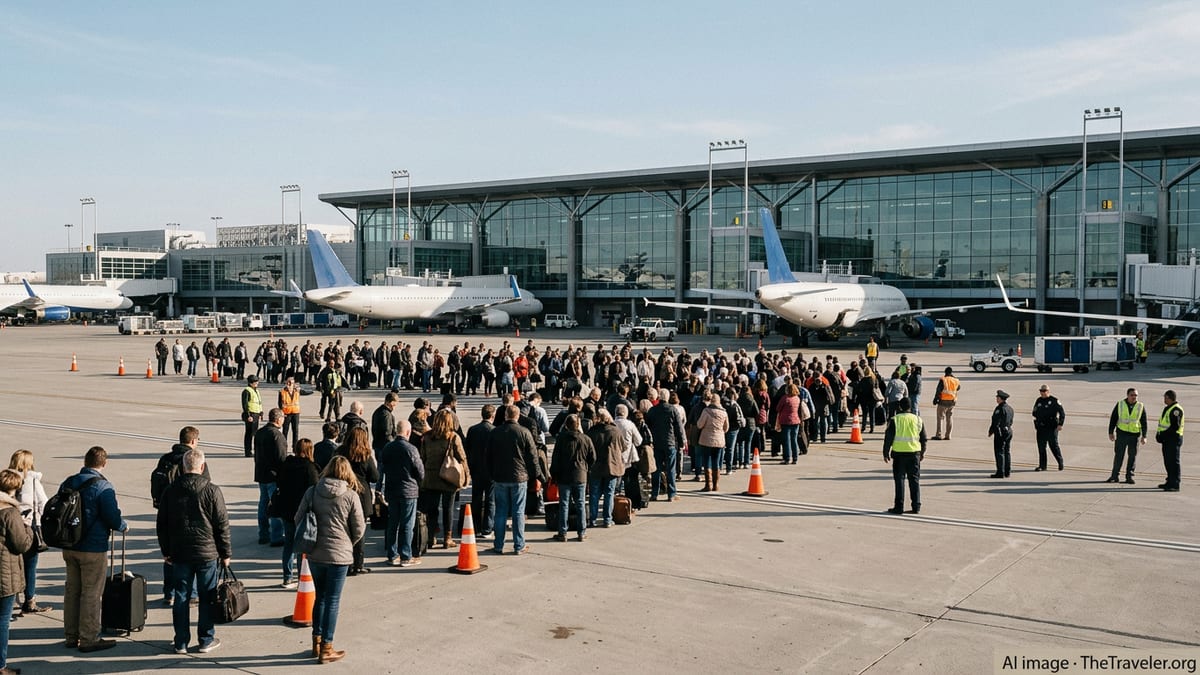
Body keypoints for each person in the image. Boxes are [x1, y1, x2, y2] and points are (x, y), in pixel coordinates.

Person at [156, 449, 230, 655]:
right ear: (202, 467)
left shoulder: (170, 490)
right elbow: (222, 524)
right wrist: (225, 553)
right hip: (207, 553)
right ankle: (206, 639)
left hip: (180, 553)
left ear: (182, 467)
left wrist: (166, 551)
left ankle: (181, 641)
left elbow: (161, 524)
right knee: (207, 596)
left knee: (181, 597)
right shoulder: (212, 490)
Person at [297, 456, 364, 664]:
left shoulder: (313, 491)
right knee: (333, 600)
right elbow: (359, 527)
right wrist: (347, 543)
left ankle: (316, 642)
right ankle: (327, 646)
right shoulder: (351, 495)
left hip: (316, 552)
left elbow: (298, 517)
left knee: (321, 598)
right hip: (339, 554)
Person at [61, 446, 128, 653]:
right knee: (91, 593)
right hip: (93, 547)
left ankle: (71, 635)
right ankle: (89, 638)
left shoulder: (69, 481)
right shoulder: (102, 486)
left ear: (85, 461)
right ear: (104, 464)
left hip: (70, 544)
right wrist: (122, 525)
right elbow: (112, 516)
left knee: (72, 591)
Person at [151, 427, 210, 607]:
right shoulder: (195, 460)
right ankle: (191, 594)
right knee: (189, 556)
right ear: (193, 441)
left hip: (168, 512)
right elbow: (205, 486)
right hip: (190, 515)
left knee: (169, 556)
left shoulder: (166, 459)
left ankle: (169, 594)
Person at [486, 405, 540, 555]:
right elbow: (532, 457)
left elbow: (488, 456)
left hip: (500, 476)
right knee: (518, 512)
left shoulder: (495, 432)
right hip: (519, 477)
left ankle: (498, 544)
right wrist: (536, 476)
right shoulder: (524, 432)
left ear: (505, 416)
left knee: (501, 511)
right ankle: (518, 544)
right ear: (517, 417)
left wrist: (492, 473)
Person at [419, 409, 469, 549]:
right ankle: (447, 538)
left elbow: (422, 457)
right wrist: (466, 475)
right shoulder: (453, 437)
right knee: (448, 508)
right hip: (448, 477)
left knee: (432, 508)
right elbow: (462, 457)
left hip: (430, 477)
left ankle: (430, 536)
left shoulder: (427, 437)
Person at [379, 420, 424, 566]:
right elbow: (420, 471)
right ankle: (406, 555)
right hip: (409, 490)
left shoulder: (388, 447)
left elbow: (382, 468)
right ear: (408, 432)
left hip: (392, 489)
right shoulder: (411, 449)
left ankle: (392, 554)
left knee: (393, 523)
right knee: (407, 525)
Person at [275, 438, 319, 587]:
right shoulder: (310, 468)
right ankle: (302, 577)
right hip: (302, 511)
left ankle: (287, 576)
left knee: (288, 543)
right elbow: (314, 489)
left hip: (286, 509)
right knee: (302, 544)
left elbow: (279, 482)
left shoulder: (286, 464)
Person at [335, 427, 379, 575]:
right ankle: (358, 564)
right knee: (359, 531)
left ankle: (345, 562)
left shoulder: (340, 452)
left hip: (343, 493)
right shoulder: (365, 455)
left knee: (344, 530)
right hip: (361, 494)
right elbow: (374, 477)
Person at [8, 450, 48, 616]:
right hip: (28, 527)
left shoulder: (7, 479)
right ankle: (29, 599)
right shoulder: (32, 480)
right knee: (30, 565)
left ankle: (10, 598)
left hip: (10, 525)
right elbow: (43, 503)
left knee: (11, 565)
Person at [550, 414, 596, 542]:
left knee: (564, 504)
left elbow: (555, 458)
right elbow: (593, 457)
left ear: (566, 425)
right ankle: (581, 532)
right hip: (580, 474)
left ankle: (562, 532)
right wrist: (587, 468)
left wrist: (553, 474)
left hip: (564, 475)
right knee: (580, 503)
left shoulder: (561, 439)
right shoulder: (585, 439)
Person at [883, 398, 926, 514]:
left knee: (899, 481)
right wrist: (922, 453)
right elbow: (923, 438)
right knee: (914, 481)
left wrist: (886, 452)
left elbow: (888, 438)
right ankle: (916, 505)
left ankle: (899, 506)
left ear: (900, 407)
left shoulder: (895, 420)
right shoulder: (918, 420)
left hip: (899, 454)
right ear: (910, 407)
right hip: (914, 454)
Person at [646, 387, 686, 502]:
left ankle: (654, 493)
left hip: (657, 442)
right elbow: (679, 427)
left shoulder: (653, 410)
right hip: (670, 442)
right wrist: (682, 441)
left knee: (656, 469)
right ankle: (671, 493)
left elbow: (648, 425)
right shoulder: (673, 410)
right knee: (671, 469)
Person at [254, 409, 288, 546]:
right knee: (275, 506)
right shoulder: (277, 435)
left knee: (263, 504)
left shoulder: (260, 433)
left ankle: (263, 534)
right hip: (273, 475)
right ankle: (276, 536)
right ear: (279, 419)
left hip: (261, 473)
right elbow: (281, 458)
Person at [464, 405, 496, 538]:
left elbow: (467, 448)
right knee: (490, 499)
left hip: (476, 468)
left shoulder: (473, 430)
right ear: (492, 416)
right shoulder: (494, 431)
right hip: (490, 470)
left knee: (476, 498)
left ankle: (475, 526)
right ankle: (487, 528)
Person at [1107, 388, 1147, 484]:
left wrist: (1144, 436)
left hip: (1134, 434)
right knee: (1119, 455)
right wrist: (1111, 432)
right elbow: (1113, 418)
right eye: (1132, 395)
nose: (1134, 397)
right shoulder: (1120, 404)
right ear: (1127, 395)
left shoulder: (1140, 406)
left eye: (1136, 395)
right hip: (1122, 433)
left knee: (1132, 456)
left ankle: (1129, 476)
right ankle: (1114, 476)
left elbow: (1144, 421)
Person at [1031, 384, 1066, 471]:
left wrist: (1060, 424)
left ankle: (1060, 462)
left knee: (1053, 446)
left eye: (1044, 391)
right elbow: (1034, 411)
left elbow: (1062, 413)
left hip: (1051, 427)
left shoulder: (1054, 400)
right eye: (1041, 391)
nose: (1042, 393)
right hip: (1041, 427)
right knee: (1041, 447)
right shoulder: (1039, 400)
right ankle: (1042, 465)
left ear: (1048, 391)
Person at [1156, 390, 1184, 492]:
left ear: (1169, 398)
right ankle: (1169, 481)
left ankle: (1175, 484)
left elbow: (1175, 427)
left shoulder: (1176, 410)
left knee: (1173, 462)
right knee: (1168, 461)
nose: (1164, 399)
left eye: (1165, 397)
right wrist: (1159, 434)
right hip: (1167, 440)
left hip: (1173, 439)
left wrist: (1163, 434)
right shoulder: (1168, 408)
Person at [986, 390, 1014, 478]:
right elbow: (1011, 421)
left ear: (1001, 399)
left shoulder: (999, 409)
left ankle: (1000, 472)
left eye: (997, 397)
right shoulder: (1010, 408)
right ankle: (1007, 471)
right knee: (1007, 451)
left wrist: (991, 431)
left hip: (1001, 432)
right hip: (1009, 431)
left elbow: (995, 421)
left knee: (999, 452)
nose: (996, 399)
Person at [932, 367, 960, 440]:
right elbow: (958, 388)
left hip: (943, 401)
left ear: (945, 372)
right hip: (952, 402)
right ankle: (948, 435)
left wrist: (935, 399)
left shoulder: (943, 380)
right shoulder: (956, 380)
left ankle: (938, 435)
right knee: (949, 418)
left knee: (940, 418)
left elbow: (938, 390)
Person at [241, 375, 263, 458]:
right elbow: (245, 404)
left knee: (254, 433)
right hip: (251, 414)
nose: (257, 383)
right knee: (249, 434)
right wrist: (248, 415)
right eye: (255, 381)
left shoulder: (256, 391)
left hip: (256, 414)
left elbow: (259, 403)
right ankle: (248, 451)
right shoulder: (247, 391)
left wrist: (261, 413)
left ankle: (253, 450)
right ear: (251, 383)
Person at [279, 377, 302, 446]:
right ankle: (284, 445)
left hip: (295, 413)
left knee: (295, 430)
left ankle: (295, 446)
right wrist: (282, 413)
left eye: (291, 383)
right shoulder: (282, 391)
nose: (289, 384)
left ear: (293, 384)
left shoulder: (297, 391)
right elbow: (280, 403)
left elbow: (306, 392)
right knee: (285, 430)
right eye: (288, 382)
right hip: (286, 413)